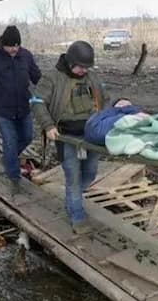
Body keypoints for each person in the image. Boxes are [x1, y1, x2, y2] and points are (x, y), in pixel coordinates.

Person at [32, 40, 109, 234]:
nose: (84, 71)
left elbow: (105, 99)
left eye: (87, 67)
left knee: (90, 173)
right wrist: (48, 126)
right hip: (66, 136)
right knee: (73, 177)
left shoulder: (92, 77)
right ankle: (77, 216)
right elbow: (37, 101)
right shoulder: (52, 78)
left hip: (91, 134)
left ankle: (72, 198)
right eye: (81, 67)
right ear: (70, 61)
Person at [0, 26, 41, 194]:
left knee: (27, 137)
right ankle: (14, 179)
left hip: (24, 108)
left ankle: (8, 159)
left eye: (17, 46)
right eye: (11, 46)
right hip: (3, 110)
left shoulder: (25, 56)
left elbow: (38, 78)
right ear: (3, 44)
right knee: (10, 142)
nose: (14, 49)